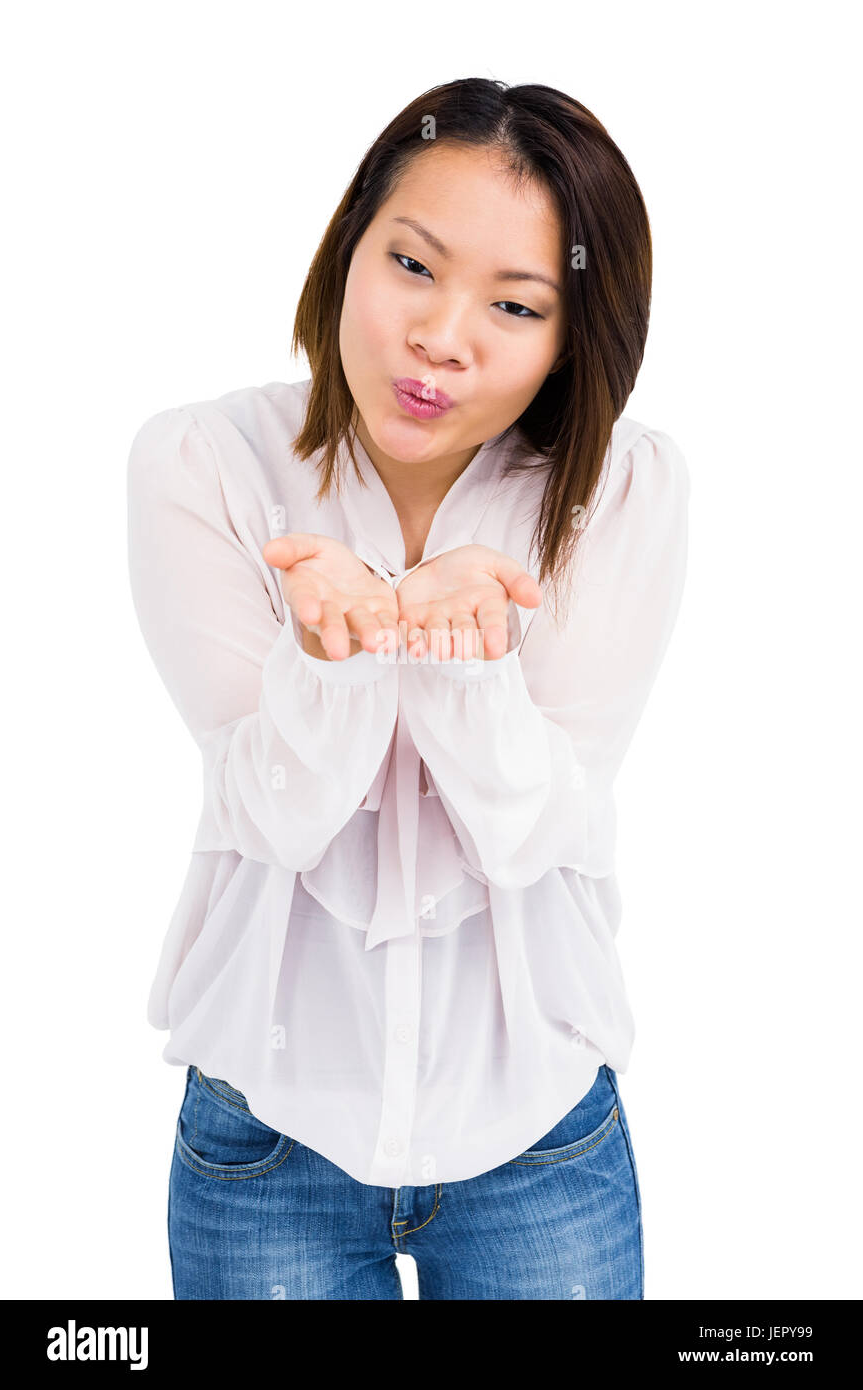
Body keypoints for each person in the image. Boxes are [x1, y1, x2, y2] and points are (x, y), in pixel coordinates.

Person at [127, 77, 690, 1300]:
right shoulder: (202, 466)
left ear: (569, 336)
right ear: (348, 247)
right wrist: (327, 662)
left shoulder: (623, 492)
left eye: (513, 304)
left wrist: (467, 662)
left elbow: (533, 829)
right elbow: (271, 815)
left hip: (536, 1135)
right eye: (411, 265)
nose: (442, 335)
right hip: (265, 1139)